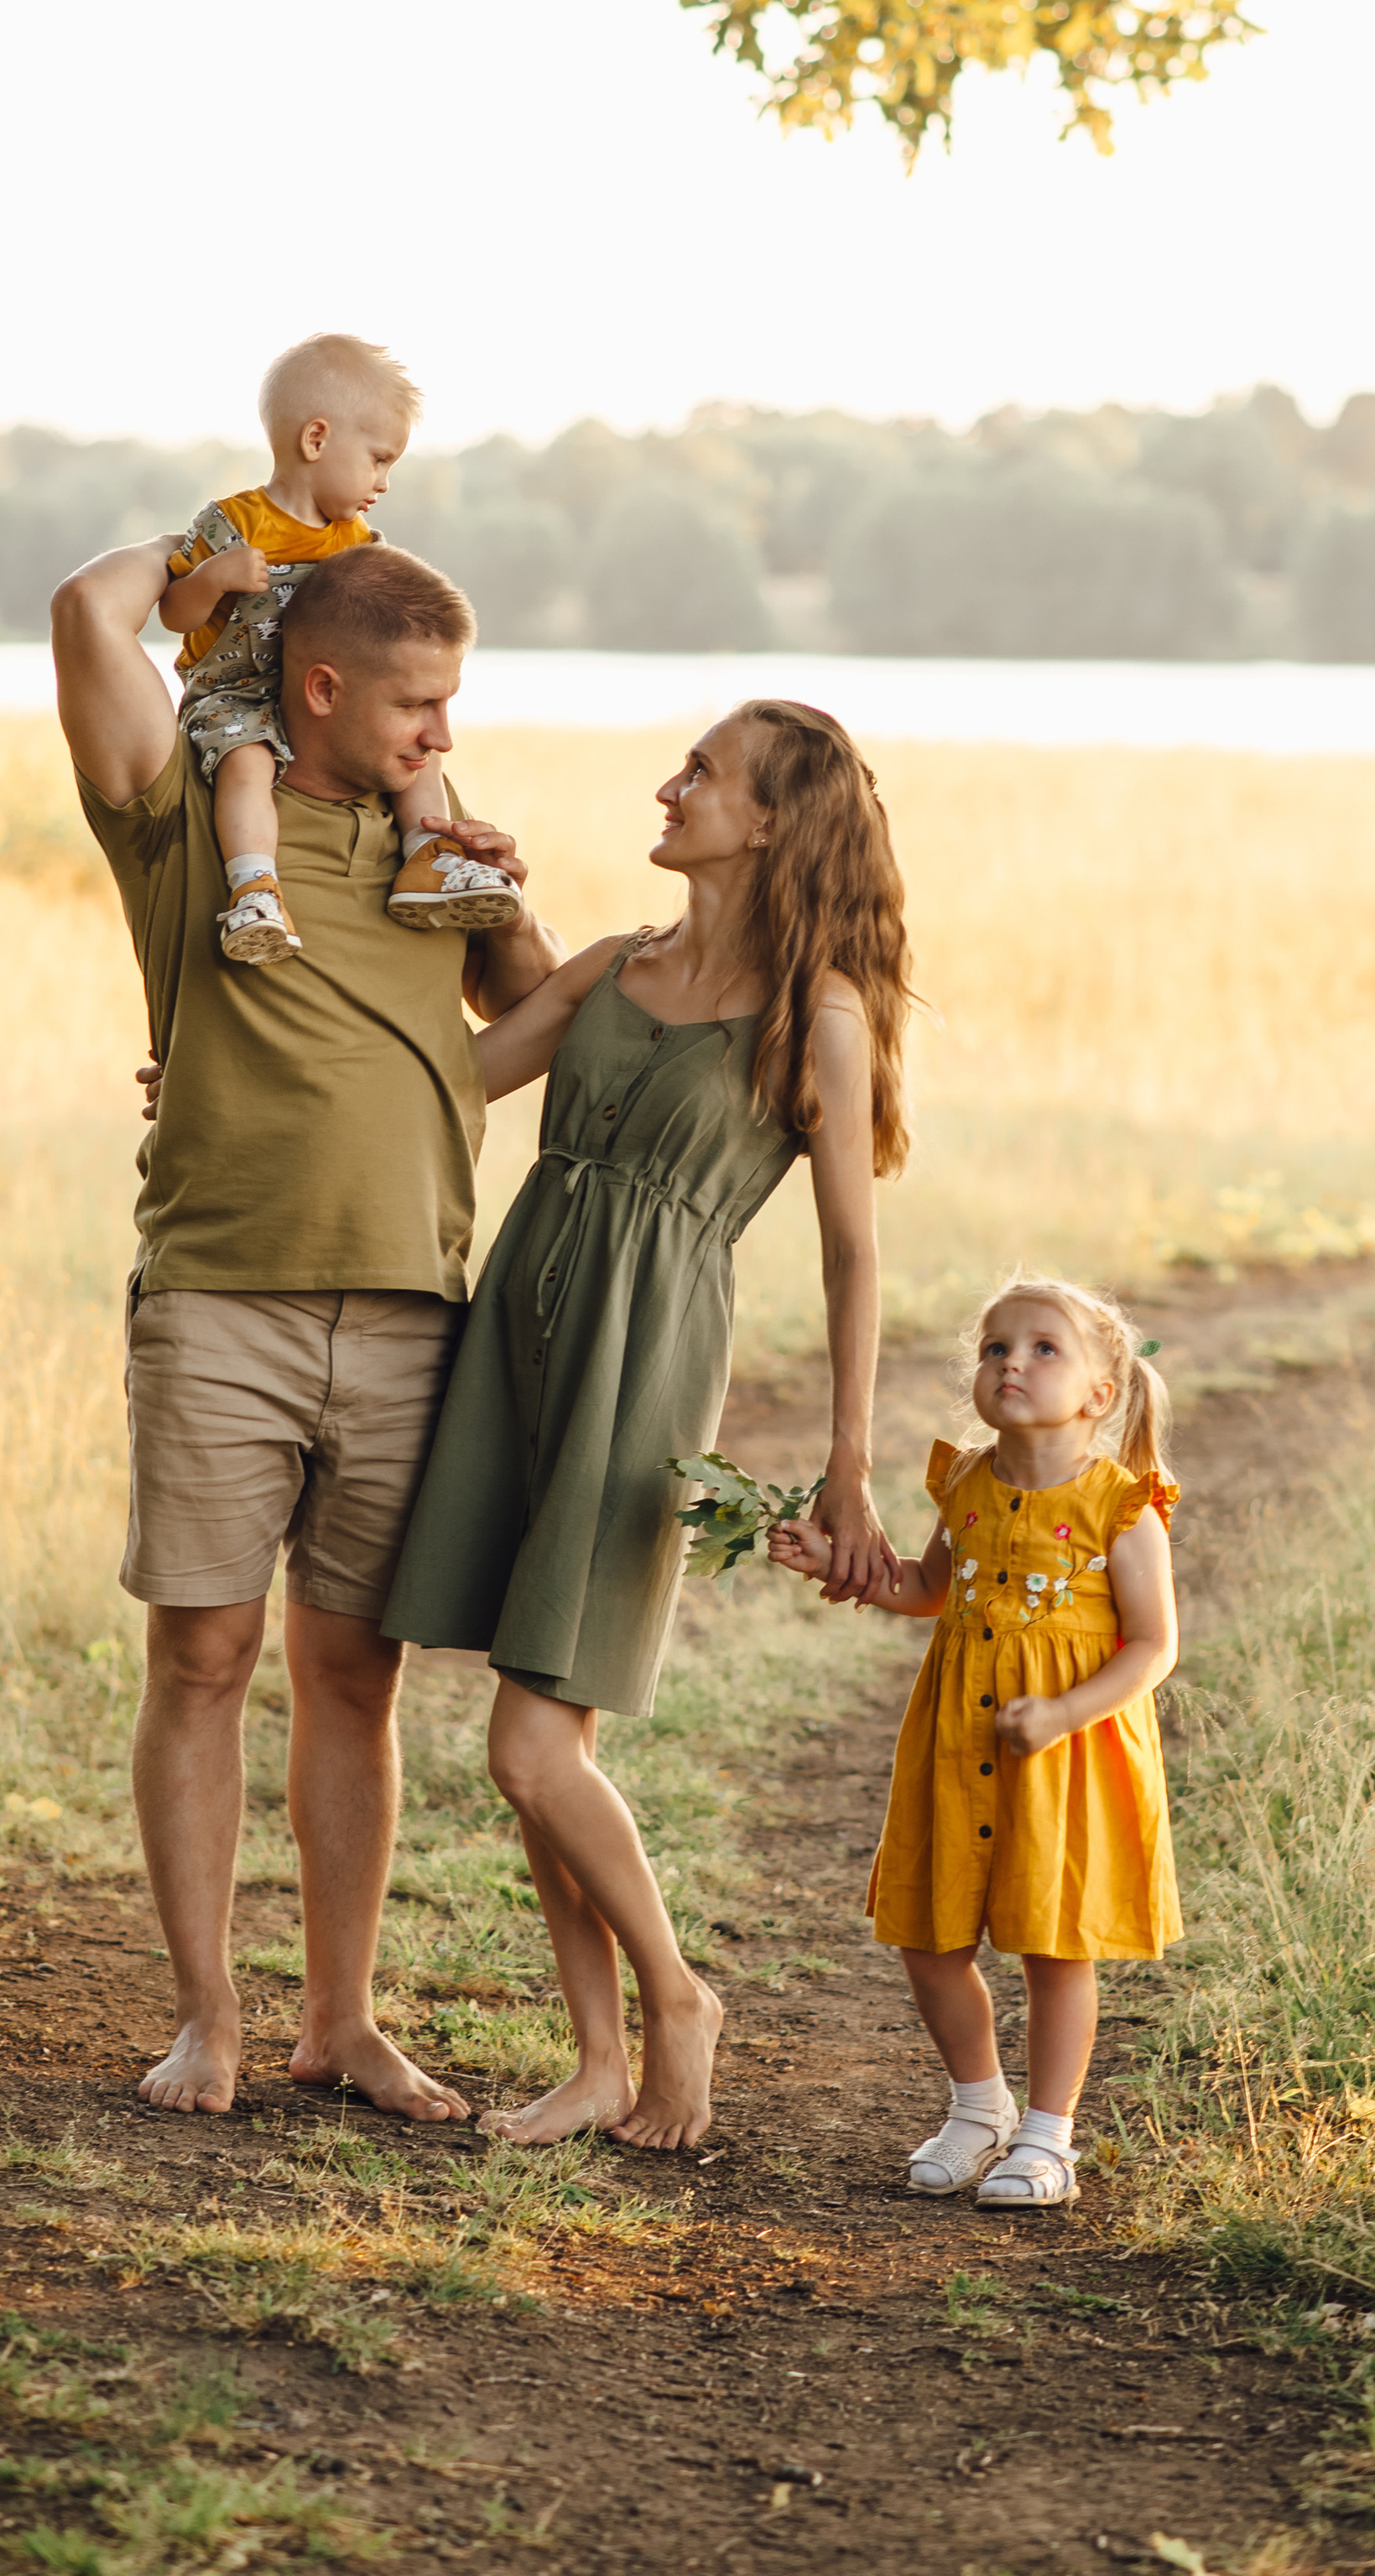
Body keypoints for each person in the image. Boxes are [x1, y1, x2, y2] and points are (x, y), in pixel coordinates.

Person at [51, 528, 563, 2121]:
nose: (443, 731)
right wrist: (258, 535)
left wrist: (498, 877)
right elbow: (88, 610)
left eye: (457, 701)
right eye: (418, 702)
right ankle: (207, 2015)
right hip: (221, 1298)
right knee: (203, 1652)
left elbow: (534, 1010)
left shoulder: (432, 844)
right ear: (322, 684)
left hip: (413, 1306)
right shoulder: (198, 821)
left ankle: (341, 2020)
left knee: (358, 1672)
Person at [383, 700, 912, 2152]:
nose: (670, 787)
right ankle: (600, 2059)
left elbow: (854, 1251)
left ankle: (677, 2001)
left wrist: (851, 1462)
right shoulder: (616, 964)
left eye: (705, 776)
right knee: (534, 1723)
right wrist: (251, 1080)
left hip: (645, 1360)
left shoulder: (826, 1017)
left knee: (532, 1746)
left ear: (771, 824)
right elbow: (452, 1079)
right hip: (517, 1339)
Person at [770, 1272, 1181, 2208]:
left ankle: (1047, 2137)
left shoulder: (1124, 1509)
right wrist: (835, 1565)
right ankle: (977, 2106)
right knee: (929, 1933)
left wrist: (1062, 1713)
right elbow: (926, 1586)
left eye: (1043, 1349)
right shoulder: (964, 1481)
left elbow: (1155, 1646)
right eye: (997, 1347)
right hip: (956, 1742)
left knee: (1052, 1942)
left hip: (1061, 1756)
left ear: (1098, 1394)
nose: (1011, 1364)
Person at [159, 330, 522, 965]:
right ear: (316, 440)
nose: (384, 481)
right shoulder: (234, 523)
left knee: (420, 757)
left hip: (314, 703)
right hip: (238, 696)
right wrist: (214, 578)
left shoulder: (356, 540)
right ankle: (254, 887)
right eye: (379, 459)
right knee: (247, 766)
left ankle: (427, 857)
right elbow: (173, 612)